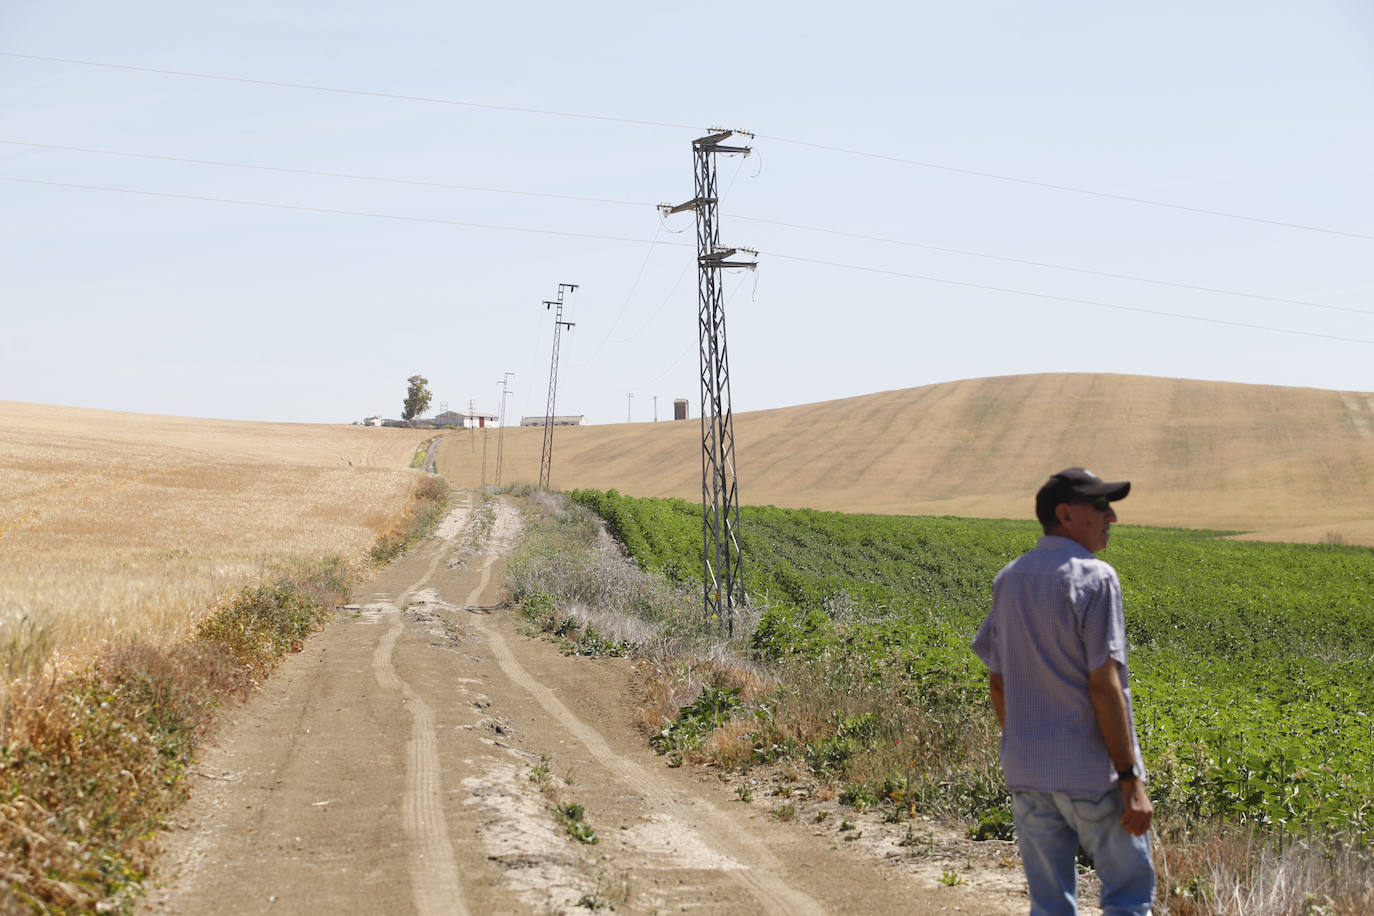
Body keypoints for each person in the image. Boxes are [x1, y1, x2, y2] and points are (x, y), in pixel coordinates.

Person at [971, 467, 1155, 916]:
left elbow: (998, 682)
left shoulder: (1009, 579)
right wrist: (1130, 779)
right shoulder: (1095, 579)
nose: (1111, 517)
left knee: (1050, 905)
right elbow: (1104, 688)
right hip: (1090, 773)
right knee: (1128, 898)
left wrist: (1024, 741)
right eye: (1101, 506)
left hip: (1028, 771)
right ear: (1066, 514)